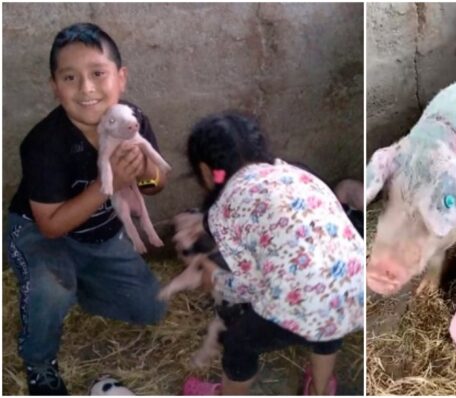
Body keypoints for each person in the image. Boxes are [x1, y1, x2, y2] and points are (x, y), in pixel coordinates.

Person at [5, 23, 168, 395]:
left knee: (151, 310)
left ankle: (75, 283)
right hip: (38, 233)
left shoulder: (131, 120)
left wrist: (142, 171)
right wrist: (105, 185)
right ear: (54, 86)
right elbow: (50, 226)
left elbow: (155, 186)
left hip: (99, 233)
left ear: (120, 78)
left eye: (98, 74)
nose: (87, 88)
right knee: (50, 286)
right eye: (70, 77)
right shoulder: (44, 143)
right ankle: (39, 362)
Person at [180, 112, 364, 395]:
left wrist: (214, 278)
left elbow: (250, 288)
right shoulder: (296, 174)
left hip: (308, 300)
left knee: (239, 342)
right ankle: (321, 387)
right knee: (328, 316)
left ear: (206, 171)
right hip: (354, 289)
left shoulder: (223, 209)